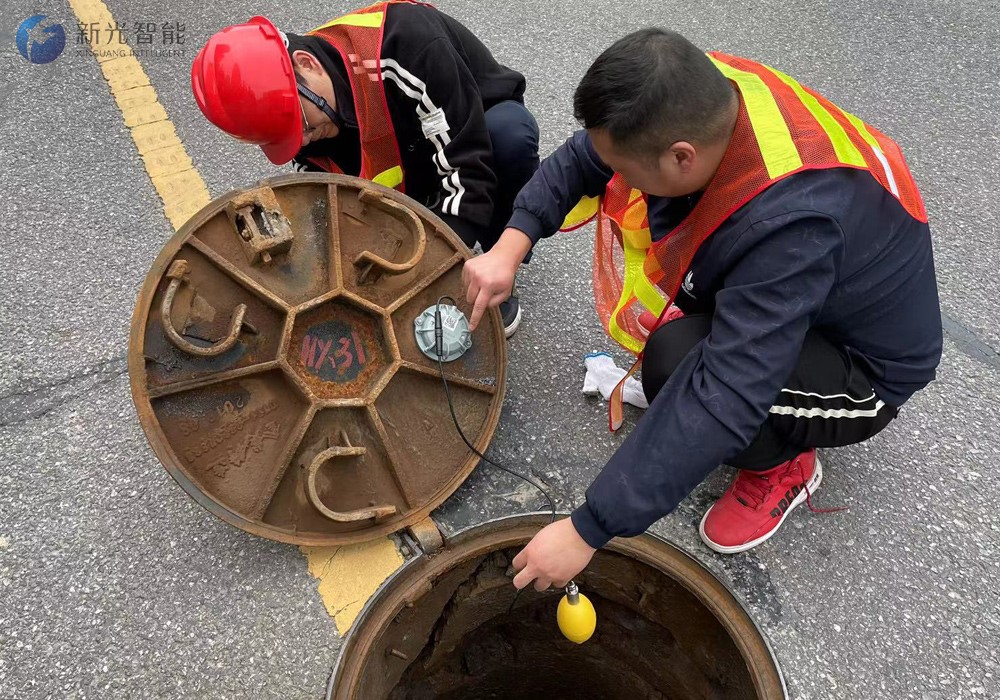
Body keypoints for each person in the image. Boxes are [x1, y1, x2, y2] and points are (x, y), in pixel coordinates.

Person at [462, 29, 942, 589]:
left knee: (681, 365)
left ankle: (786, 464)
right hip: (814, 289)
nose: (617, 180)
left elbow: (727, 393)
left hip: (865, 370)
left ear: (680, 156)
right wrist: (510, 245)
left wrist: (588, 528)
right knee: (679, 357)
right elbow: (584, 157)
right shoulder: (700, 91)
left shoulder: (790, 226)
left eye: (628, 173)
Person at [191, 0, 538, 337]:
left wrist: (430, 279)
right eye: (292, 137)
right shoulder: (309, 113)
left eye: (303, 125)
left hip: (471, 132)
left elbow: (468, 171)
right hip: (410, 157)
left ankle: (494, 262)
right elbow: (326, 203)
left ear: (307, 64)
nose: (306, 140)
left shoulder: (407, 45)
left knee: (510, 136)